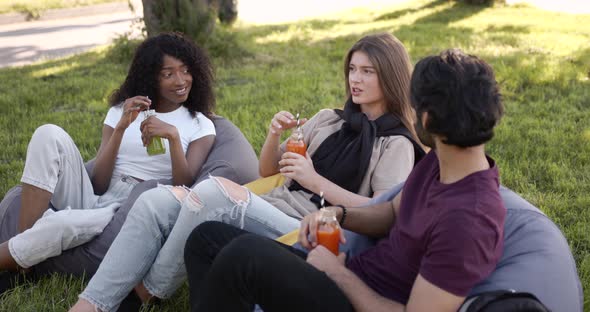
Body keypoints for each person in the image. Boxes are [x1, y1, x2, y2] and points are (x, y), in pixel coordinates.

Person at [69, 32, 425, 312]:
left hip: (306, 230)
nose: (355, 79)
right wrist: (273, 136)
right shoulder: (329, 119)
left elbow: (380, 214)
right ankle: (90, 304)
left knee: (213, 192)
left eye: (367, 71)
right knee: (156, 202)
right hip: (268, 202)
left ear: (389, 77)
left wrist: (315, 180)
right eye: (352, 69)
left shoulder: (395, 145)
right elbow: (268, 171)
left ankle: (145, 293)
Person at [182, 48, 506, 312]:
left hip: (357, 298)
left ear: (427, 117)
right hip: (350, 271)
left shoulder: (469, 219)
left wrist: (336, 273)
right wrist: (336, 214)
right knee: (206, 238)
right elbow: (391, 211)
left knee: (245, 257)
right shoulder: (441, 161)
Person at [0, 32, 218, 278]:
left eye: (186, 70)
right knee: (47, 133)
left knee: (60, 224)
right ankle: (23, 255)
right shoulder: (120, 111)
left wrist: (174, 138)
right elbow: (99, 183)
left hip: (128, 208)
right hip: (97, 197)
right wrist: (122, 128)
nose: (181, 80)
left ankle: (16, 262)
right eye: (168, 74)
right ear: (151, 77)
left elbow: (185, 185)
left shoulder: (200, 124)